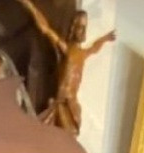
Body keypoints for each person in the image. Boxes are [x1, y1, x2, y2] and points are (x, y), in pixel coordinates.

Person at [16, 1, 115, 133]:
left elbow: (95, 47)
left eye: (84, 27)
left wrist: (105, 38)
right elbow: (46, 29)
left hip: (72, 104)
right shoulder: (66, 49)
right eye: (79, 26)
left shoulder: (83, 54)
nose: (81, 31)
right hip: (61, 101)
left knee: (70, 133)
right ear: (73, 28)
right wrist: (30, 6)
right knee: (66, 133)